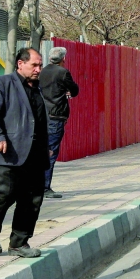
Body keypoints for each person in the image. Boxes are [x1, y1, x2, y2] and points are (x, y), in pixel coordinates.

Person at [0, 48, 50, 258]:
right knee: (4, 192)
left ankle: (19, 242)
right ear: (20, 64)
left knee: (32, 198)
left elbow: (38, 120)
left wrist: (46, 146)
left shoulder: (38, 89)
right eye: (34, 65)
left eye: (40, 65)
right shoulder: (2, 83)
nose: (38, 69)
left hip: (33, 154)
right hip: (5, 151)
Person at [39, 46, 79, 200]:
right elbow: (74, 90)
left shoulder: (41, 72)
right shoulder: (63, 73)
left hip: (41, 115)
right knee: (50, 152)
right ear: (63, 59)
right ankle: (45, 187)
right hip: (55, 116)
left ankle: (36, 185)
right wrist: (67, 92)